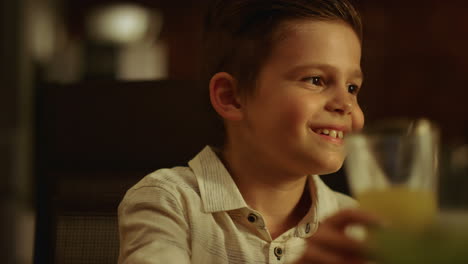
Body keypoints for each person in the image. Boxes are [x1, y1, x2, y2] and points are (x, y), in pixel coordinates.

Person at [118, 0, 378, 263]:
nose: (345, 104)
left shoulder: (355, 223)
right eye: (316, 80)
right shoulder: (169, 200)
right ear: (232, 97)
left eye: (352, 88)